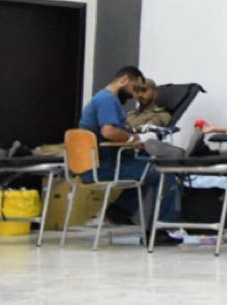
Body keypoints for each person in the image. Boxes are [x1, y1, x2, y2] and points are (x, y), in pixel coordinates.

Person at [76, 65, 181, 244]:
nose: (134, 95)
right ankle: (158, 233)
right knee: (166, 173)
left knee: (146, 168)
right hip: (103, 166)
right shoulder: (108, 100)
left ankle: (119, 210)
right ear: (124, 80)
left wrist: (130, 137)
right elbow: (109, 131)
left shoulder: (100, 98)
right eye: (134, 88)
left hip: (91, 164)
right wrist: (134, 139)